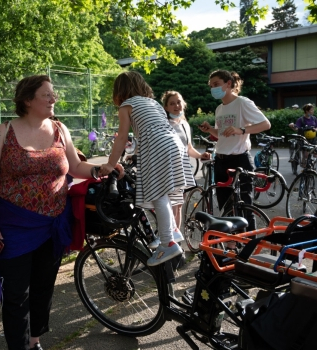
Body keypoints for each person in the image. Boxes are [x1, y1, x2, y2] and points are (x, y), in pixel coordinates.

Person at [0, 75, 98, 350]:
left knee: (43, 288)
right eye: (47, 94)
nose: (54, 98)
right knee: (16, 293)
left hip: (53, 226)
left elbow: (74, 166)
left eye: (53, 94)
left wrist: (103, 169)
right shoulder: (6, 131)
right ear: (28, 99)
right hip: (13, 225)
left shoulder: (60, 130)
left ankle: (34, 344)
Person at [99, 71, 194, 266]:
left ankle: (168, 243)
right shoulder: (153, 103)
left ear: (120, 91)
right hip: (175, 144)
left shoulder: (127, 106)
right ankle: (173, 231)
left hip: (158, 146)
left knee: (157, 193)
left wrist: (110, 163)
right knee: (167, 190)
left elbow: (122, 137)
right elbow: (151, 128)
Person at [199, 70, 271, 231]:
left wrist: (242, 129)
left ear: (229, 84)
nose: (213, 89)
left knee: (245, 206)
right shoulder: (219, 109)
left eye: (216, 84)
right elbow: (222, 133)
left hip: (240, 160)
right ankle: (231, 246)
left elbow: (266, 124)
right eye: (211, 86)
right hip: (220, 160)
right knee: (225, 207)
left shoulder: (242, 103)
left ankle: (248, 246)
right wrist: (210, 130)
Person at [160, 90, 211, 237]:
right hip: (168, 169)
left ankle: (176, 238)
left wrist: (201, 155)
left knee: (178, 205)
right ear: (166, 107)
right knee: (171, 205)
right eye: (172, 103)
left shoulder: (184, 124)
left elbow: (188, 148)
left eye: (179, 102)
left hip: (182, 169)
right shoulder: (164, 124)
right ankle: (168, 238)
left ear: (183, 104)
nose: (176, 105)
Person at [289, 103, 317, 171]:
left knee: (316, 152)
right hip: (304, 139)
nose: (313, 111)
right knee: (306, 154)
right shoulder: (301, 120)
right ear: (306, 111)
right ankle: (304, 167)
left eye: (312, 110)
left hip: (313, 139)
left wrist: (316, 129)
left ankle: (312, 167)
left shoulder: (314, 118)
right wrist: (292, 126)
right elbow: (296, 128)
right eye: (311, 110)